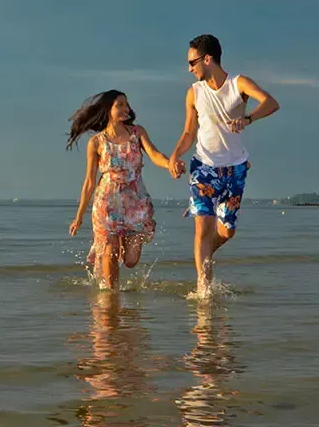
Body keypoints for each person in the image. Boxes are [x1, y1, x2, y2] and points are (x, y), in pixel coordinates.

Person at [168, 34, 280, 297]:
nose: (189, 68)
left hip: (235, 169)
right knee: (202, 230)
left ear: (208, 59)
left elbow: (271, 103)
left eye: (192, 62)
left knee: (227, 232)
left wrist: (249, 119)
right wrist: (174, 156)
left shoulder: (238, 84)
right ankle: (203, 292)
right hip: (203, 167)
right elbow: (188, 133)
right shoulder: (193, 93)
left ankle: (204, 251)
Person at [67, 90, 172, 290]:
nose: (126, 109)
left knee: (131, 260)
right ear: (108, 110)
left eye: (126, 105)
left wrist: (170, 164)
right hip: (107, 205)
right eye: (120, 105)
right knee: (109, 262)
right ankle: (110, 313)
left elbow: (155, 154)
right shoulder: (96, 142)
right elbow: (89, 182)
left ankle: (118, 247)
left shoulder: (137, 133)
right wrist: (79, 216)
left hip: (135, 203)